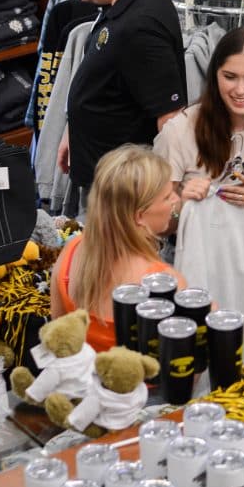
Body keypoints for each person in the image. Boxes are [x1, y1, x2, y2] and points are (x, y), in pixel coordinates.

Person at [154, 27, 244, 365]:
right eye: (230, 77)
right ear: (214, 76)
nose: (240, 90)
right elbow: (157, 222)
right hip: (195, 269)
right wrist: (181, 202)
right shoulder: (180, 131)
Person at [57, 0, 187, 213]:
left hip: (123, 197)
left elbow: (170, 120)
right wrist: (72, 131)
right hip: (102, 179)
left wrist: (164, 202)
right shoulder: (120, 4)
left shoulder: (142, 24)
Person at [51, 144, 187, 352]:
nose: (176, 201)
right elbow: (180, 364)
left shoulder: (71, 252)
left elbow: (57, 339)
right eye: (168, 197)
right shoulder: (164, 282)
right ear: (139, 216)